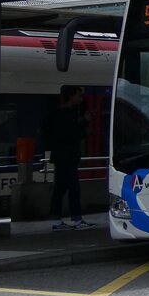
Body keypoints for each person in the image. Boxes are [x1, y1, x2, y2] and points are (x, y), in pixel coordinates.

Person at [43, 84, 95, 230]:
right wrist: (84, 125)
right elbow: (70, 134)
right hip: (67, 156)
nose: (81, 99)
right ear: (71, 96)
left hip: (61, 156)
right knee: (73, 188)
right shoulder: (66, 115)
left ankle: (57, 219)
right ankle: (76, 219)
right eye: (79, 96)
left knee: (61, 188)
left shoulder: (58, 114)